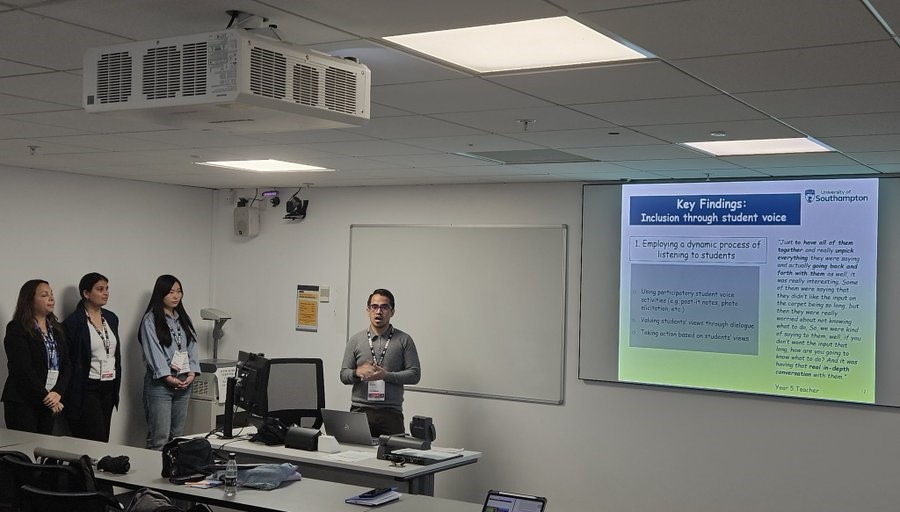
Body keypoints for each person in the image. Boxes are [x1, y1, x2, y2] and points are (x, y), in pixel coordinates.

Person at [340, 288, 420, 436]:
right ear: (368, 310)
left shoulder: (404, 340)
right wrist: (357, 373)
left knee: (393, 457)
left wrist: (385, 376)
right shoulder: (356, 340)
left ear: (392, 312)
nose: (379, 311)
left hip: (391, 413)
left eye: (384, 307)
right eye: (374, 307)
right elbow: (343, 375)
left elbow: (415, 375)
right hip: (360, 411)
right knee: (355, 456)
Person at [138, 274, 200, 450]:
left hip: (184, 383)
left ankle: (171, 475)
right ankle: (151, 475)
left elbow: (192, 346)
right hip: (160, 385)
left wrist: (192, 372)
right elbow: (153, 351)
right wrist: (167, 376)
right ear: (161, 294)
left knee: (177, 438)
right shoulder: (150, 320)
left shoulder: (183, 319)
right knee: (159, 438)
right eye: (171, 292)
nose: (176, 296)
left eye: (179, 291)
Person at [2, 279, 71, 434]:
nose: (51, 298)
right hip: (24, 401)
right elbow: (22, 369)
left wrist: (57, 392)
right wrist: (46, 397)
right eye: (45, 295)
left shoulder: (57, 329)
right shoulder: (17, 328)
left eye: (52, 294)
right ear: (29, 300)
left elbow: (67, 365)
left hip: (50, 399)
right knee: (25, 453)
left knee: (43, 451)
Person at [62, 272, 121, 442]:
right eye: (100, 289)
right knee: (94, 438)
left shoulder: (111, 318)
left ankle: (99, 468)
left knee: (104, 439)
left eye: (107, 289)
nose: (106, 293)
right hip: (87, 387)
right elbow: (69, 360)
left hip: (109, 385)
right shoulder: (74, 322)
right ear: (86, 293)